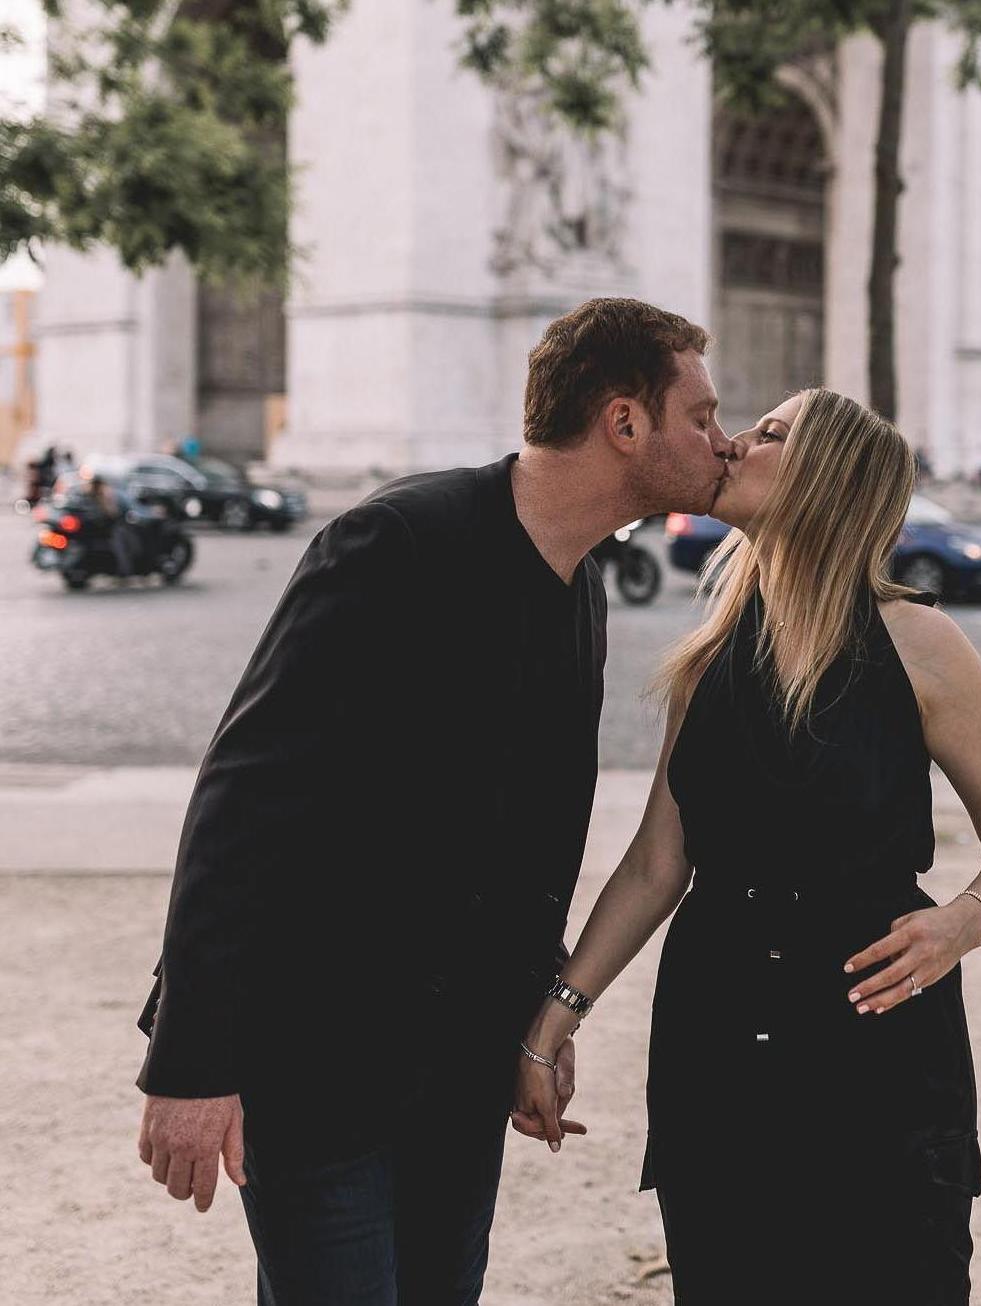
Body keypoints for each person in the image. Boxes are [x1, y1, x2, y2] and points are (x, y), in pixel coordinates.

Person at [133, 298, 735, 1303]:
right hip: (317, 1059)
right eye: (702, 416)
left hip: (459, 1074)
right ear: (624, 423)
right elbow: (243, 801)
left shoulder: (583, 584)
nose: (721, 440)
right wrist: (191, 1064)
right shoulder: (396, 541)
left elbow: (525, 836)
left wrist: (537, 1019)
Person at [514, 387, 981, 1302]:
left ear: (827, 478)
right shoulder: (706, 661)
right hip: (714, 1043)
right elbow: (655, 865)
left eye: (769, 434)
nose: (731, 443)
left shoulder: (922, 644)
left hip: (877, 1049)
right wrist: (554, 1020)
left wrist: (964, 922)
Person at [88, 474, 137, 581]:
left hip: (116, 526)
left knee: (123, 546)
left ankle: (125, 572)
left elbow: (114, 513)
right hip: (106, 528)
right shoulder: (94, 495)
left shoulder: (109, 494)